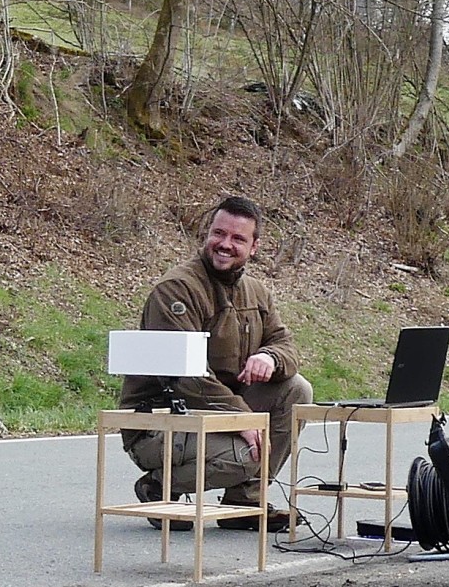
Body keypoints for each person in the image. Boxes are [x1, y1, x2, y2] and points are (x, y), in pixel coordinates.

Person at [118, 195, 313, 532]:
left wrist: (270, 357)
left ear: (254, 247)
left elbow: (287, 345)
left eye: (238, 238)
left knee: (296, 390)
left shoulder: (257, 293)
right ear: (206, 235)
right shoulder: (177, 290)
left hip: (216, 415)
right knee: (248, 454)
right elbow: (185, 376)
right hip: (162, 421)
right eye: (218, 234)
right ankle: (160, 487)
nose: (225, 244)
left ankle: (245, 501)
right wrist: (242, 417)